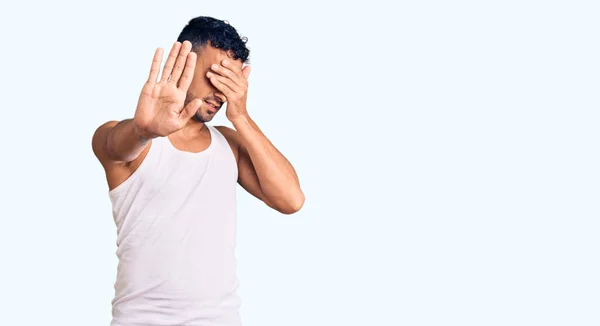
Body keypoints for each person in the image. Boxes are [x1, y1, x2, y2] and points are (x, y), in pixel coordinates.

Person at [91, 16, 304, 326]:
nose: (220, 90)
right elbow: (115, 146)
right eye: (213, 74)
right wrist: (142, 130)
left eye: (229, 81)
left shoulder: (229, 144)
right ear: (183, 60)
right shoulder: (131, 138)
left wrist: (240, 116)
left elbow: (291, 200)